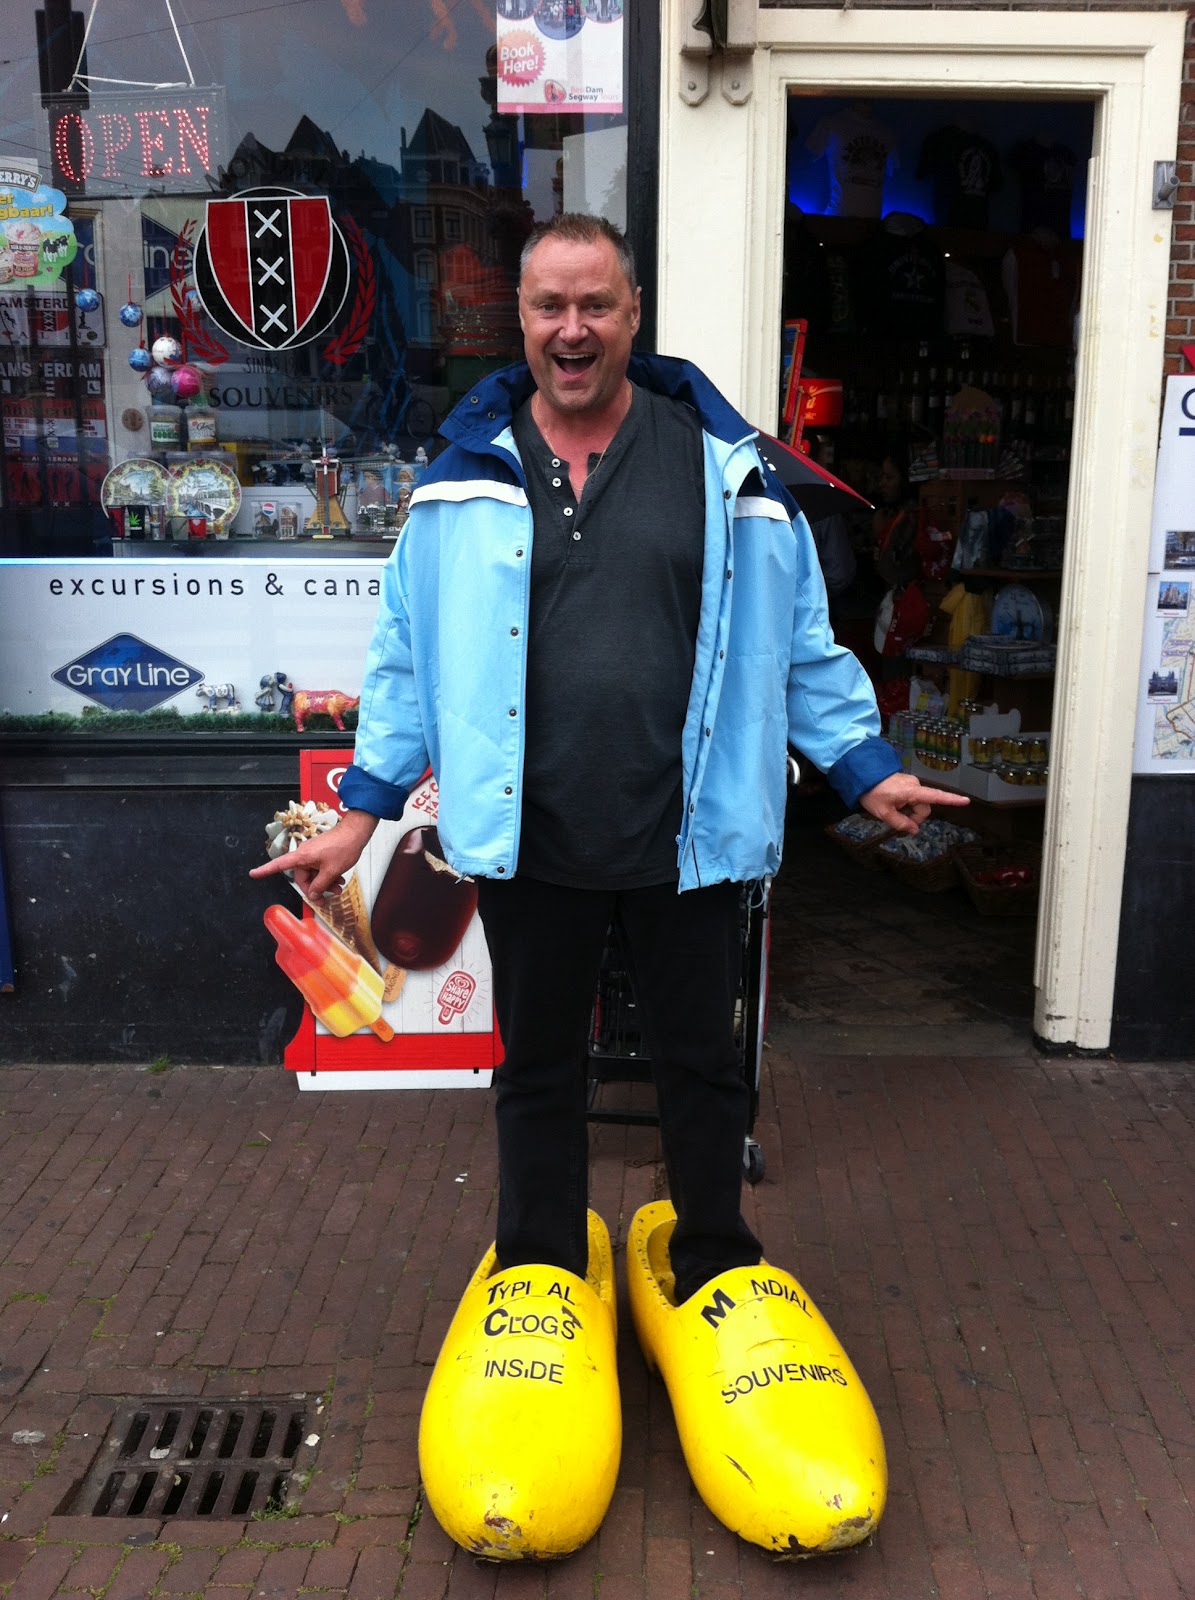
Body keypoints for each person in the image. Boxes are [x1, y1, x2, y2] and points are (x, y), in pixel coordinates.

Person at [250, 213, 965, 1304]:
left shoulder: (724, 470)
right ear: (521, 318)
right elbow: (406, 656)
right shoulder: (459, 481)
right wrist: (359, 816)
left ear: (634, 315)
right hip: (528, 833)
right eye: (550, 306)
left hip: (688, 832)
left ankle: (713, 1259)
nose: (571, 328)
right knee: (537, 1067)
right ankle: (539, 1264)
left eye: (595, 305)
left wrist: (865, 766)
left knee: (702, 1065)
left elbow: (797, 641)